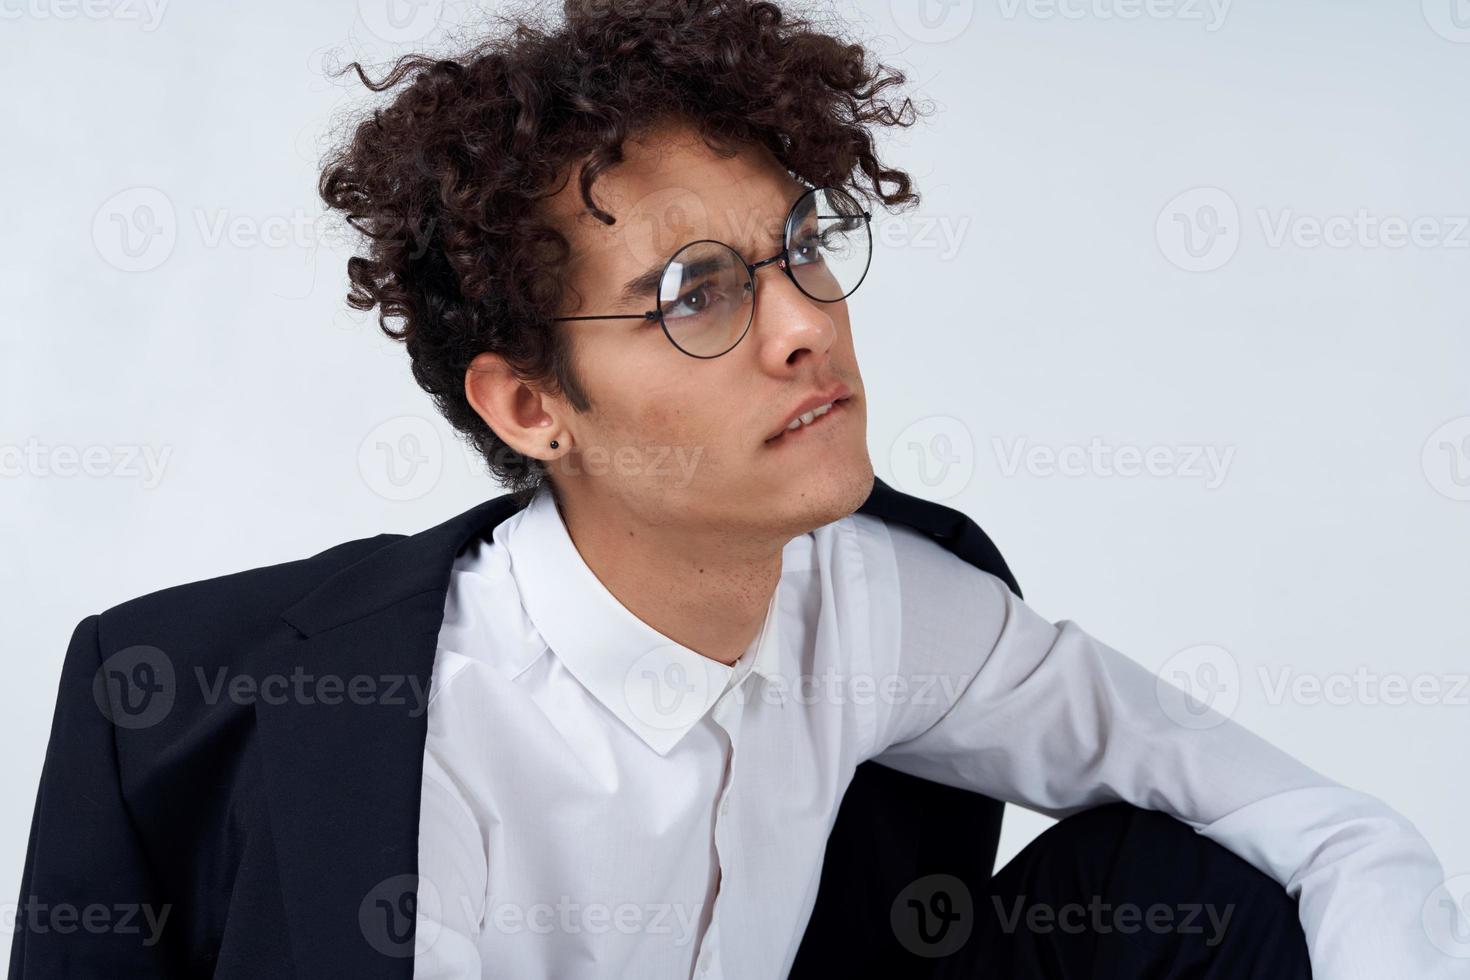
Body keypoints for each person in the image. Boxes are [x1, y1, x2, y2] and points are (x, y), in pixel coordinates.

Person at [11, 2, 1462, 978]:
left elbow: (1328, 833)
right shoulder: (409, 739)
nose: (803, 325)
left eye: (800, 247)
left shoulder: (882, 602)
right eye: (693, 295)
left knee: (1171, 887)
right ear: (531, 406)